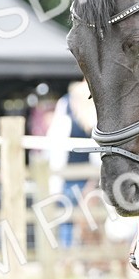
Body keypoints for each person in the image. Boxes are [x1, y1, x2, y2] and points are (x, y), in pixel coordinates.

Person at [45, 80, 97, 249]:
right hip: (67, 176)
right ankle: (66, 259)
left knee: (92, 221)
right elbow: (54, 140)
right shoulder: (66, 103)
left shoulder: (100, 103)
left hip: (92, 177)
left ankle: (89, 261)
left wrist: (95, 181)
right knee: (65, 220)